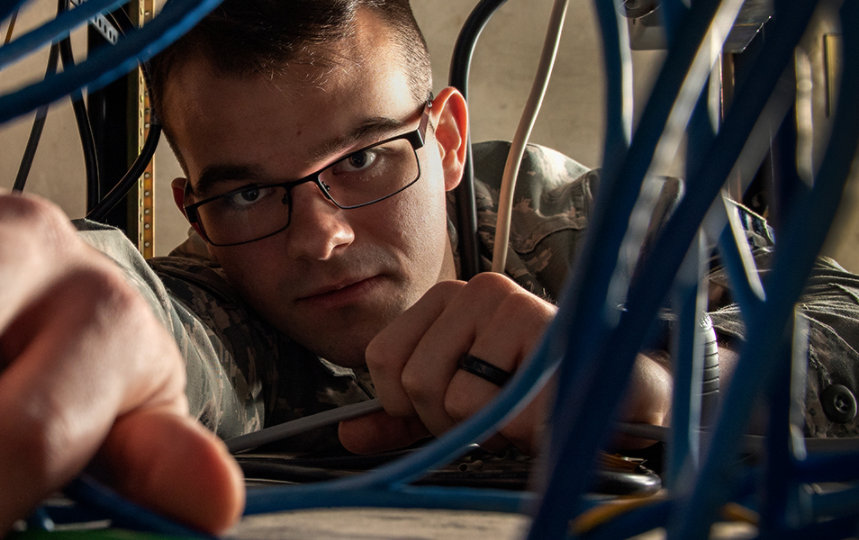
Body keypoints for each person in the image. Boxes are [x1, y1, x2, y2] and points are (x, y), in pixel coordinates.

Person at [1, 0, 857, 535]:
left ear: (444, 139)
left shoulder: (607, 225)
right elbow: (137, 312)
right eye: (252, 192)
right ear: (194, 209)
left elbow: (839, 316)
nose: (321, 237)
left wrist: (680, 384)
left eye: (363, 159)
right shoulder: (218, 295)